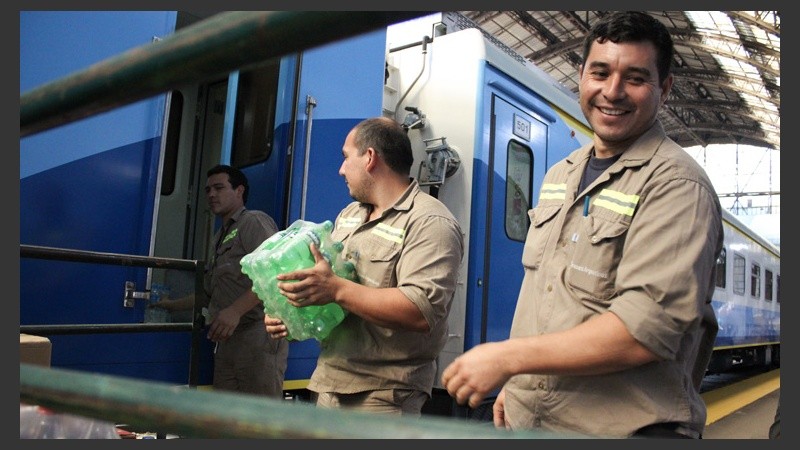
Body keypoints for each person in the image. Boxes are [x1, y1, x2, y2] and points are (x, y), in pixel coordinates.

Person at [440, 11, 723, 439]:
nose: (612, 91)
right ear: (581, 76)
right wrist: (520, 389)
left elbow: (641, 332)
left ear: (664, 89)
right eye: (601, 72)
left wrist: (510, 359)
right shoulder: (561, 174)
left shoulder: (677, 185)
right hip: (536, 421)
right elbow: (545, 295)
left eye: (635, 78)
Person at [264, 117, 464, 416]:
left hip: (383, 396)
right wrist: (293, 314)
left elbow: (420, 311)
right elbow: (332, 287)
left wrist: (335, 289)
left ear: (370, 158)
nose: (341, 169)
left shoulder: (430, 222)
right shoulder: (350, 215)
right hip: (331, 382)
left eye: (346, 157)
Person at [157, 164, 288, 397]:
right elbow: (208, 293)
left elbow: (276, 271)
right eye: (208, 190)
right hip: (227, 341)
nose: (211, 195)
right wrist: (170, 305)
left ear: (239, 191)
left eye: (219, 187)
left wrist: (236, 311)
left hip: (257, 336)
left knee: (258, 421)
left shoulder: (254, 222)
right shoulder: (219, 237)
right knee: (227, 420)